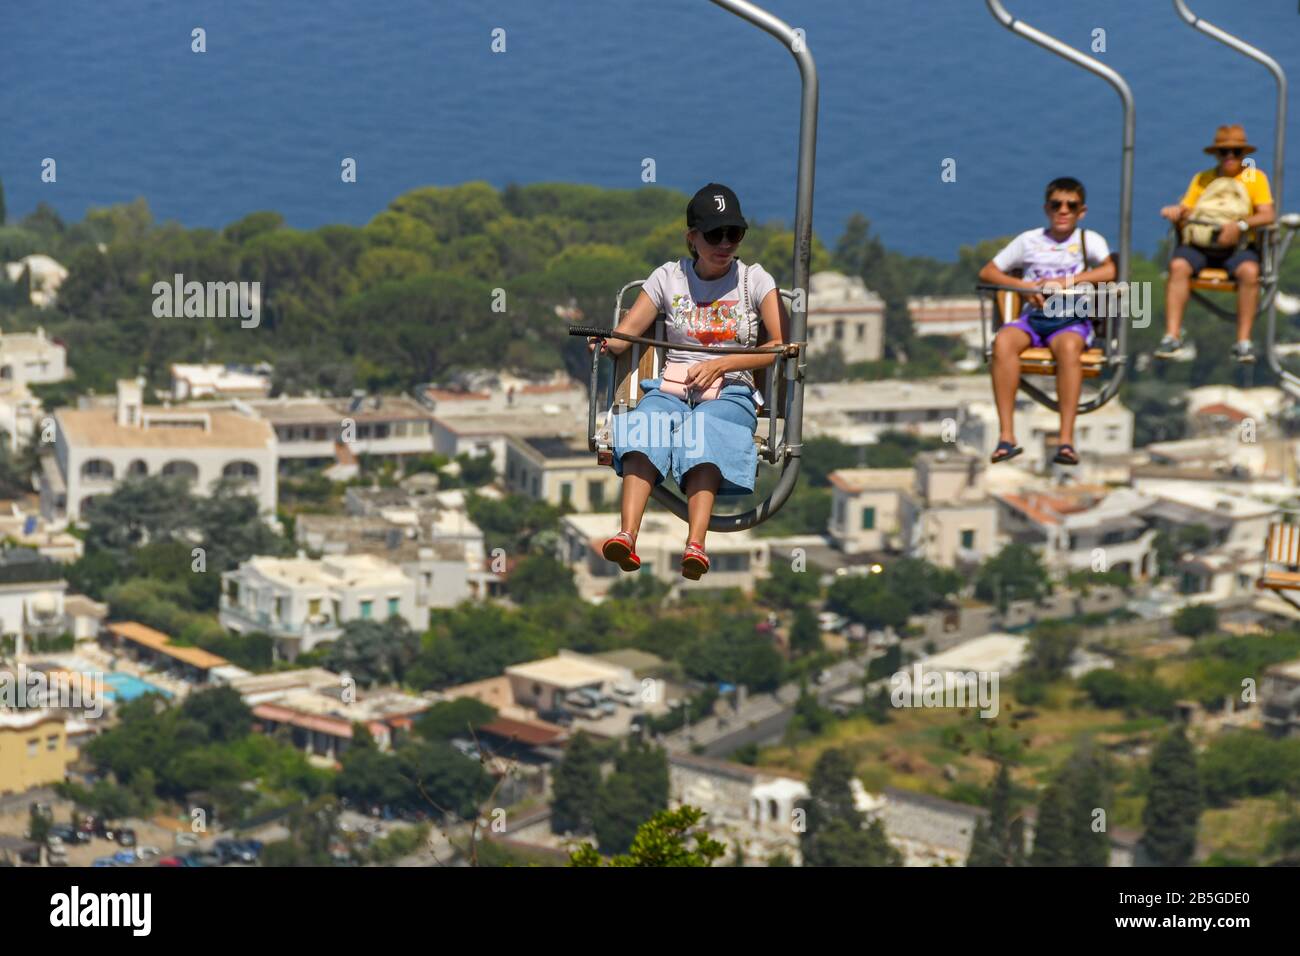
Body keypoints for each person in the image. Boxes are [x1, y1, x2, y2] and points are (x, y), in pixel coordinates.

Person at [587, 183, 785, 579]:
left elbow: (782, 345)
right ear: (692, 238)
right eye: (715, 234)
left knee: (704, 430)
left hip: (731, 388)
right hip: (674, 385)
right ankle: (627, 535)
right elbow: (630, 332)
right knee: (647, 423)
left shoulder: (755, 281)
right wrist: (608, 343)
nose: (725, 244)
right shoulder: (668, 277)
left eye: (734, 233)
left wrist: (724, 365)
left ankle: (696, 543)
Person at [977, 176, 1116, 467]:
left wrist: (1066, 282)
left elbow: (1109, 271)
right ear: (1047, 208)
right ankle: (1006, 436)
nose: (1063, 211)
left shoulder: (1088, 240)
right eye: (1057, 205)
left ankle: (1066, 440)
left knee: (1068, 349)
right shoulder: (1029, 241)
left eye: (1071, 206)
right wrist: (1027, 288)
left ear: (1081, 211)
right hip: (1033, 316)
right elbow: (988, 272)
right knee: (1003, 342)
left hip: (1070, 317)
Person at [1156, 124, 1276, 363]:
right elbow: (1187, 210)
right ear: (1216, 155)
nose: (1230, 157)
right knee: (1179, 266)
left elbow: (1267, 214)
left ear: (1244, 154)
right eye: (1224, 152)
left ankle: (1243, 341)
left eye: (1236, 152)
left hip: (1238, 248)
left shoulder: (1253, 177)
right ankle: (1172, 335)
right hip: (1201, 244)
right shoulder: (1202, 179)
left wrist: (1240, 226)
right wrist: (1175, 212)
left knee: (1250, 272)